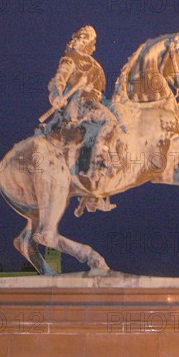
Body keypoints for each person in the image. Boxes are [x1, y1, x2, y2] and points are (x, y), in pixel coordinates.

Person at [47, 25, 118, 215]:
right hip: (80, 103)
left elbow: (101, 96)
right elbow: (58, 79)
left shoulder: (95, 65)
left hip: (95, 103)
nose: (88, 43)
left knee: (116, 127)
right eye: (84, 38)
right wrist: (57, 94)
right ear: (78, 39)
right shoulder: (72, 58)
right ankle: (96, 169)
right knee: (109, 123)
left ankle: (94, 187)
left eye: (90, 40)